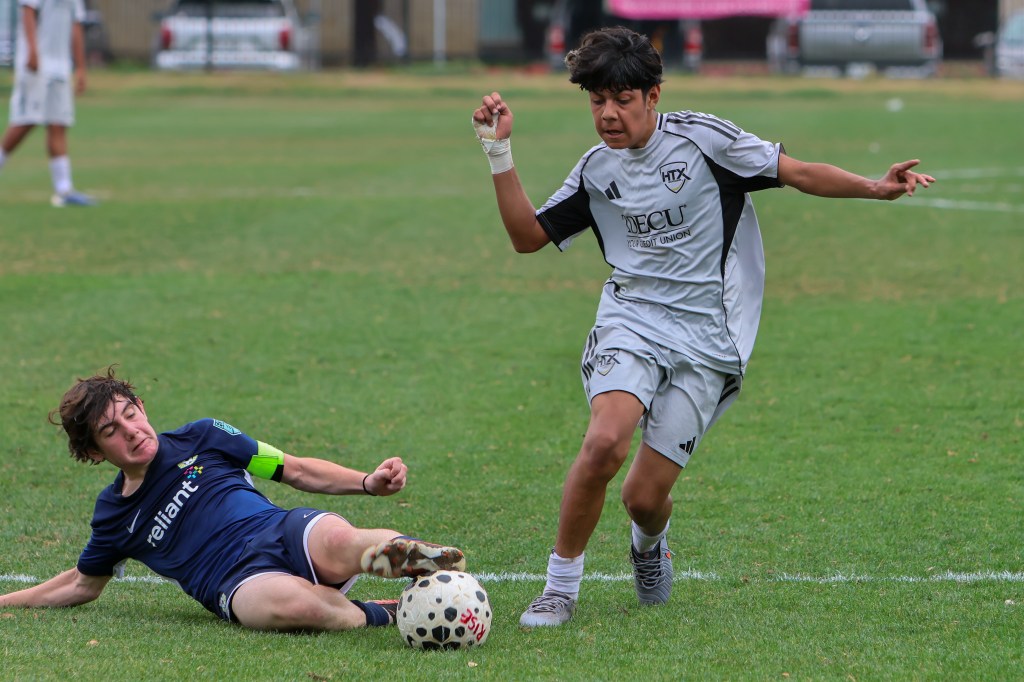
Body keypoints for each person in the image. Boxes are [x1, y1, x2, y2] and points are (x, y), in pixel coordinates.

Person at [471, 26, 934, 627]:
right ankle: (560, 588)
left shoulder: (705, 142)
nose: (608, 115)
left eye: (622, 100)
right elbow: (526, 237)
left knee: (643, 498)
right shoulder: (596, 170)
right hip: (632, 319)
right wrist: (499, 153)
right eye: (597, 101)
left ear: (653, 96)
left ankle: (648, 546)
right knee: (605, 442)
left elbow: (796, 172)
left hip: (708, 339)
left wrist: (875, 187)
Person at [0, 367, 465, 631]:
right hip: (236, 581)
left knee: (345, 542)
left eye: (130, 414)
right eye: (111, 431)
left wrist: (367, 482)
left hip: (281, 531)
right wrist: (6, 601)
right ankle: (382, 613)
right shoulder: (115, 516)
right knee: (295, 607)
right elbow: (82, 584)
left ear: (142, 407)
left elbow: (294, 469)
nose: (132, 431)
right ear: (94, 453)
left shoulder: (205, 436)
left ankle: (431, 564)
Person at [0, 0, 96, 207]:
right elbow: (28, 12)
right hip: (35, 65)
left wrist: (80, 68)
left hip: (61, 67)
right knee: (25, 121)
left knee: (58, 124)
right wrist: (32, 51)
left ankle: (64, 190)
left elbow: (76, 25)